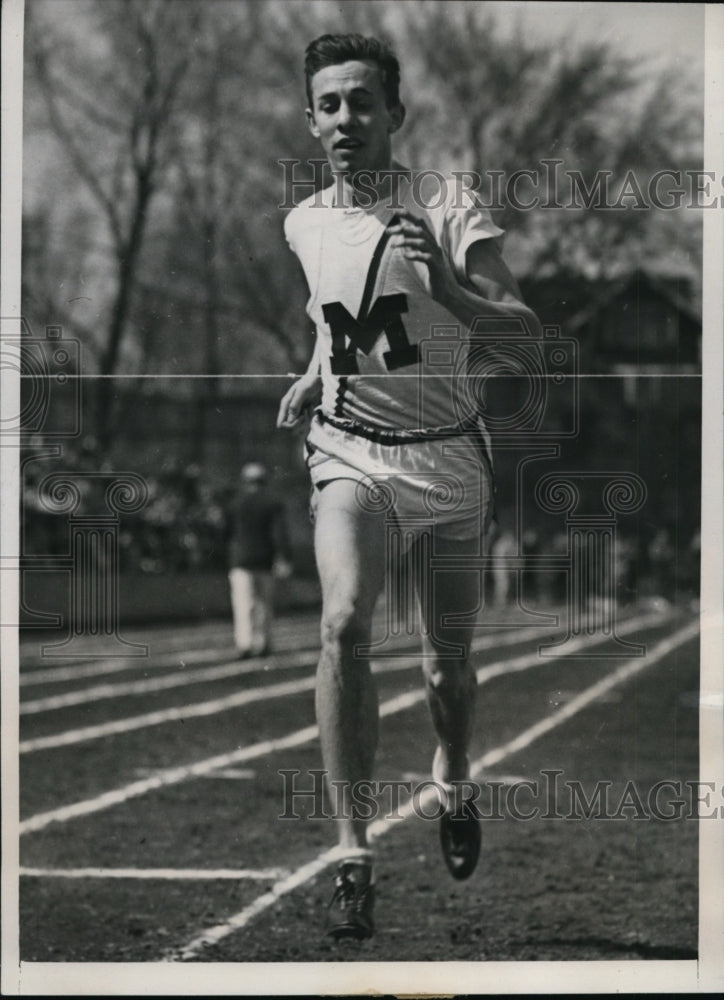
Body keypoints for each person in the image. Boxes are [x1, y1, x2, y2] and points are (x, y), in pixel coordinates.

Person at [276, 33, 540, 940]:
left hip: (450, 456)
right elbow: (337, 315)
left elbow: (523, 330)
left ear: (396, 112)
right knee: (343, 620)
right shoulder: (303, 223)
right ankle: (352, 854)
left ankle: (454, 774)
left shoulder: (447, 202)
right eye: (329, 104)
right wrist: (317, 371)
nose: (346, 119)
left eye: (361, 101)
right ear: (311, 120)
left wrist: (460, 301)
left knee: (446, 667)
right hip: (351, 452)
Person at [226, 462, 292, 659]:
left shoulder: (235, 503)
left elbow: (226, 532)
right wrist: (285, 557)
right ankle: (262, 643)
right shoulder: (272, 503)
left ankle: (244, 644)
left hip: (240, 559)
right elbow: (280, 534)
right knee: (264, 604)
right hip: (265, 559)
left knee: (243, 604)